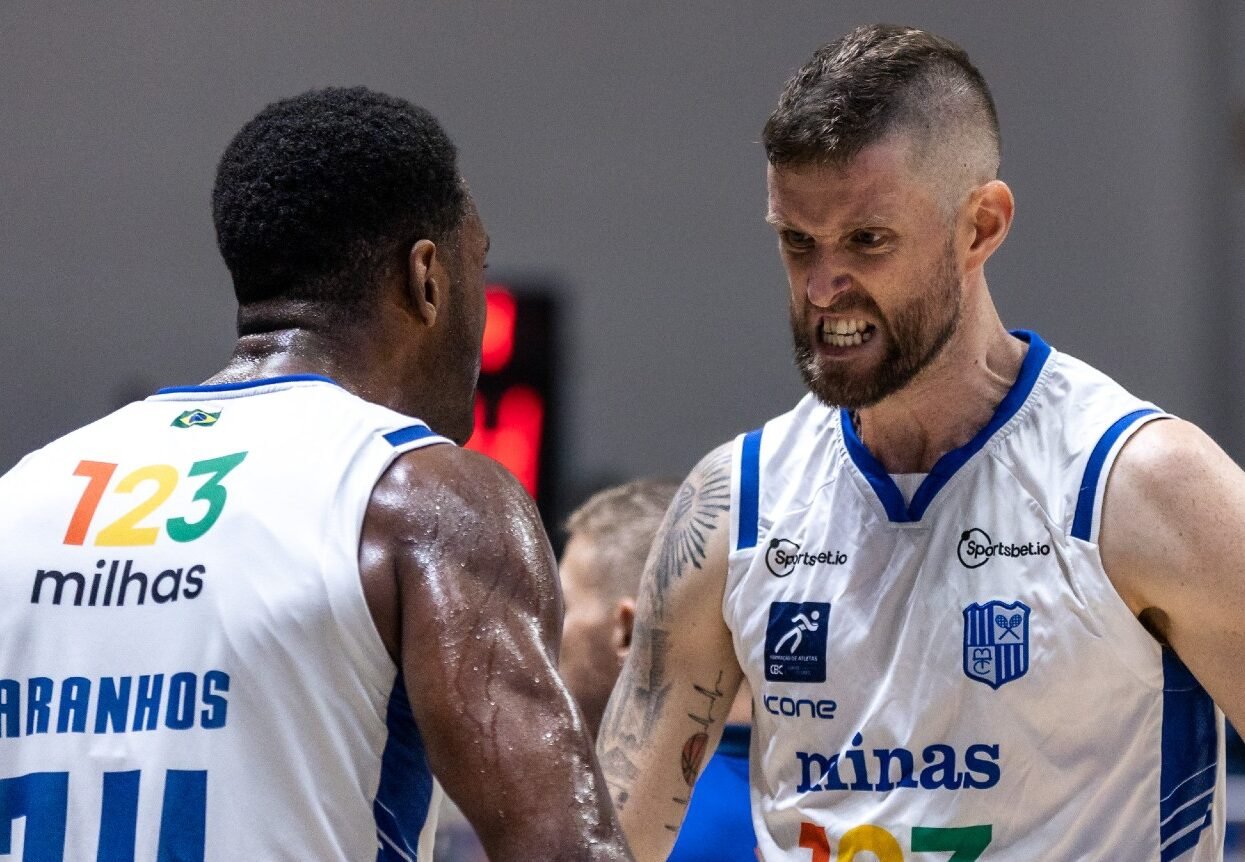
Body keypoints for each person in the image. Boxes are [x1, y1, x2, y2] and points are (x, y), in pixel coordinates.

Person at [598, 24, 1245, 862]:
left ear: (980, 227)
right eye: (798, 242)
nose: (824, 288)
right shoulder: (733, 506)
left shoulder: (1142, 482)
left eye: (867, 241)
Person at [0, 87, 630, 861]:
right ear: (426, 277)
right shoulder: (419, 497)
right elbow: (563, 849)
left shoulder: (24, 494)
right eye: (479, 263)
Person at [558, 479, 756, 861]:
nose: (544, 630)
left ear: (631, 632)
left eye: (562, 608)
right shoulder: (824, 797)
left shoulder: (609, 831)